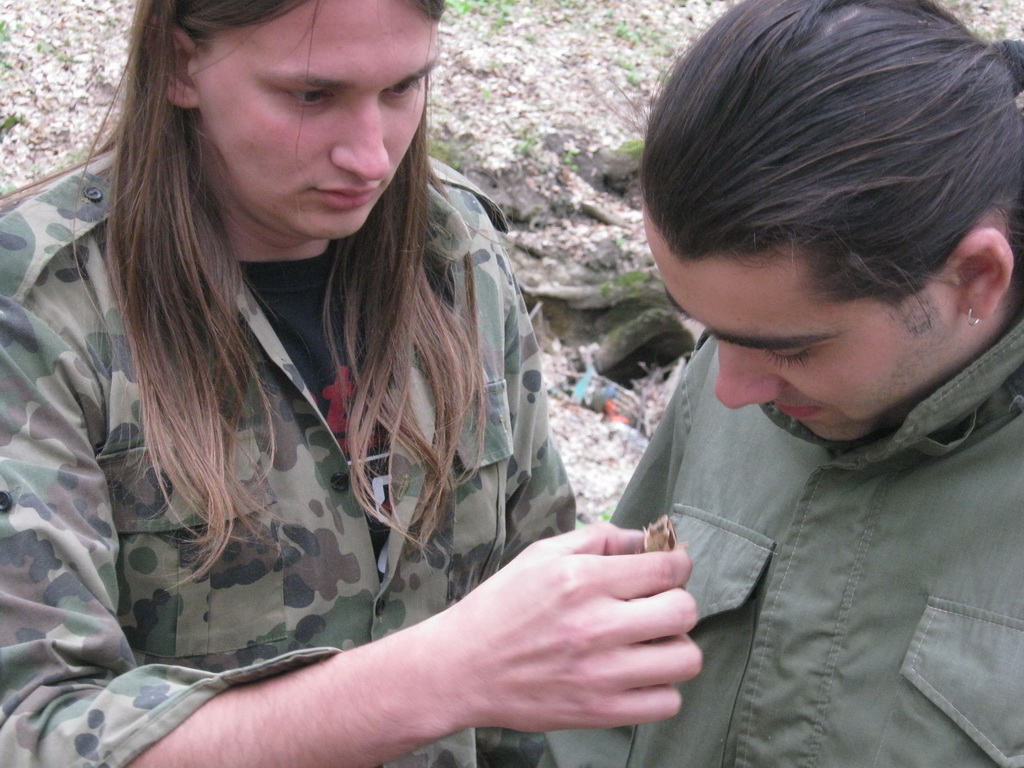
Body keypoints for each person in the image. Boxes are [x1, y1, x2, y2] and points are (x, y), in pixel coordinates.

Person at [0, 0, 703, 766]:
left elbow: (534, 621)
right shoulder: (38, 304)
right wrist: (440, 676)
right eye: (311, 95)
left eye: (403, 87)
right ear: (180, 63)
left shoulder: (455, 250)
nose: (370, 158)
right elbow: (34, 729)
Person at [543, 0, 1024, 765]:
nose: (727, 391)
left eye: (793, 350)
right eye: (707, 328)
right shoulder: (740, 368)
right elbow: (599, 718)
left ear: (974, 278)